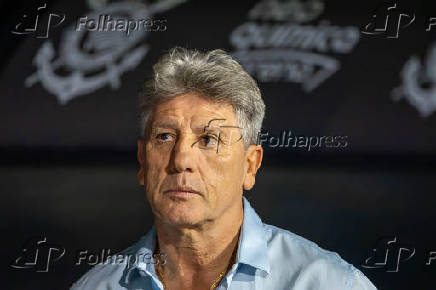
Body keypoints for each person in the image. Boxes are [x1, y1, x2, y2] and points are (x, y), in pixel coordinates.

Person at [71, 47, 377, 289]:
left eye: (208, 139)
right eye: (165, 137)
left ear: (249, 165)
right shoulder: (97, 286)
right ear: (142, 162)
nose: (181, 160)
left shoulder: (326, 283)